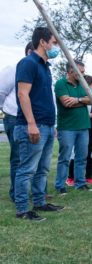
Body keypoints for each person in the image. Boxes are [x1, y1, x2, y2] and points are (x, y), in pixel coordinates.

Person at [14, 27, 64, 221]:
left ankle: (40, 202)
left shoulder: (45, 66)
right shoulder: (28, 63)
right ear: (43, 42)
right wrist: (31, 124)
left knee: (42, 168)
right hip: (33, 126)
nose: (55, 47)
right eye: (54, 42)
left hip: (48, 125)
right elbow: (22, 94)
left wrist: (53, 126)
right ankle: (22, 209)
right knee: (27, 169)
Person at [0, 42, 34, 202]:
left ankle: (34, 192)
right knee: (19, 158)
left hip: (34, 119)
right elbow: (1, 92)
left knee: (33, 158)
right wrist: (8, 110)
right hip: (14, 118)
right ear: (29, 51)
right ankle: (17, 193)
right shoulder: (13, 69)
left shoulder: (41, 70)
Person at [54, 60, 92, 194]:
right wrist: (83, 100)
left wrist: (78, 100)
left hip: (83, 126)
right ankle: (60, 185)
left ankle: (80, 183)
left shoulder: (83, 84)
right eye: (81, 72)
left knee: (82, 156)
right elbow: (66, 103)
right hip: (67, 127)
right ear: (71, 71)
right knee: (64, 157)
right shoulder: (60, 83)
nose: (83, 75)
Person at [67, 75, 92, 186]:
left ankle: (88, 177)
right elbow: (75, 111)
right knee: (77, 152)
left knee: (91, 151)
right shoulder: (80, 95)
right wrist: (90, 115)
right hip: (82, 127)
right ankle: (71, 178)